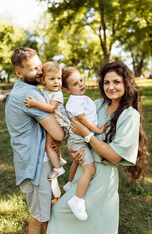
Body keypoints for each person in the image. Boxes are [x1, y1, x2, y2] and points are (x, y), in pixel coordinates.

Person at [46, 59, 149, 234]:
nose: (111, 87)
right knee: (59, 214)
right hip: (83, 169)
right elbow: (75, 129)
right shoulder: (96, 105)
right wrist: (75, 153)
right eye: (106, 82)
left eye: (116, 82)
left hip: (103, 178)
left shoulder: (130, 115)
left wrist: (87, 134)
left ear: (126, 84)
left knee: (96, 226)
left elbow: (115, 156)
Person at [5, 47, 65, 234]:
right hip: (37, 165)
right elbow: (58, 134)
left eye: (40, 65)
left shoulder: (19, 88)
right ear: (19, 73)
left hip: (35, 161)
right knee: (39, 216)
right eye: (33, 69)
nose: (40, 71)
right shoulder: (29, 95)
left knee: (52, 204)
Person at [61, 67, 106, 221]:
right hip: (79, 140)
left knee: (77, 162)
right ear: (66, 89)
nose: (80, 84)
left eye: (81, 80)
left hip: (79, 139)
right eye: (75, 84)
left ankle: (69, 184)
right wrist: (98, 129)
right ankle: (77, 200)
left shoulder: (81, 98)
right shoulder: (74, 102)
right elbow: (83, 120)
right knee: (90, 170)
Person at [24, 61, 71, 180]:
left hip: (59, 123)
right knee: (55, 146)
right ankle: (59, 159)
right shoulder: (47, 89)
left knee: (49, 146)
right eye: (52, 79)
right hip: (55, 122)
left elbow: (50, 108)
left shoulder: (57, 94)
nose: (56, 82)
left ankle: (57, 168)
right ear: (43, 81)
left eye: (59, 78)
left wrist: (35, 103)